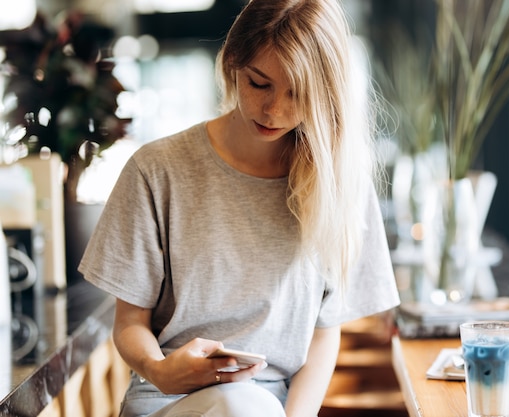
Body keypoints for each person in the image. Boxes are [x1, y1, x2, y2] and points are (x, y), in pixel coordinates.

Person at [78, 0, 400, 416]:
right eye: (259, 83)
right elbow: (129, 323)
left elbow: (324, 332)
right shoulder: (157, 171)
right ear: (232, 63)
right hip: (165, 399)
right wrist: (159, 371)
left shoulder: (341, 184)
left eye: (298, 93)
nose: (274, 110)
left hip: (271, 405)